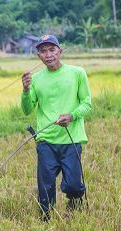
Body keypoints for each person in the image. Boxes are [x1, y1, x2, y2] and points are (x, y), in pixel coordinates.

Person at [21, 35, 91, 221]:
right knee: (45, 186)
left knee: (75, 185)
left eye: (52, 50)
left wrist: (72, 116)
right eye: (43, 51)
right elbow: (27, 109)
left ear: (60, 52)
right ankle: (46, 218)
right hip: (46, 140)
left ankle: (74, 203)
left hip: (71, 139)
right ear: (38, 56)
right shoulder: (36, 79)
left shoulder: (77, 73)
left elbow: (87, 103)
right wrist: (26, 91)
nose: (48, 54)